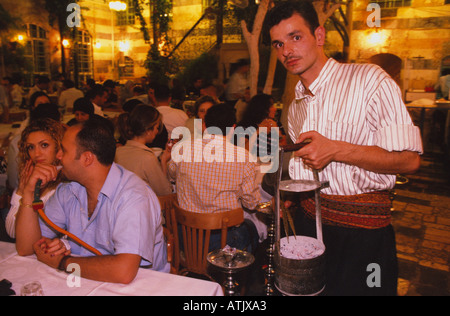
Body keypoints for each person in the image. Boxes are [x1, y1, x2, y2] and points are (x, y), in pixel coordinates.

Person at [265, 1, 423, 295]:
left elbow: (410, 160)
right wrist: (293, 195)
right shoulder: (296, 105)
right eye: (278, 43)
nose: (286, 50)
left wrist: (337, 150)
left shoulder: (369, 80)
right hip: (309, 227)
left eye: (296, 37)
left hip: (364, 235)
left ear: (320, 36)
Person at [15, 117, 170, 283]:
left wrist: (62, 262)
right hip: (87, 280)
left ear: (87, 159)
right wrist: (29, 193)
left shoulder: (133, 196)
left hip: (140, 287)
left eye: (64, 151)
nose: (58, 156)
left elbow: (123, 272)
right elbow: (26, 247)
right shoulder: (68, 190)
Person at [167, 104, 261, 253]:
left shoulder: (183, 148)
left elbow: (171, 175)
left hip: (186, 237)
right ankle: (244, 275)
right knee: (252, 229)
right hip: (222, 242)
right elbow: (251, 203)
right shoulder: (243, 157)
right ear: (233, 128)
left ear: (204, 125)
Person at [5, 118, 65, 238]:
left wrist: (26, 193)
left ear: (59, 147)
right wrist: (22, 191)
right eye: (31, 147)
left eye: (44, 145)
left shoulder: (66, 185)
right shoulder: (31, 178)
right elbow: (12, 232)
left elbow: (30, 236)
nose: (37, 154)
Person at [115, 104, 173, 196]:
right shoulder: (147, 158)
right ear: (148, 130)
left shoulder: (117, 152)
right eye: (157, 128)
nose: (157, 132)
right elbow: (165, 192)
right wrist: (164, 162)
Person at [236, 93, 287, 159]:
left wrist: (277, 131)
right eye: (271, 106)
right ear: (262, 108)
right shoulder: (245, 125)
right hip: (249, 163)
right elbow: (242, 151)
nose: (275, 109)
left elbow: (284, 148)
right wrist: (257, 132)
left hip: (270, 165)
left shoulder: (276, 124)